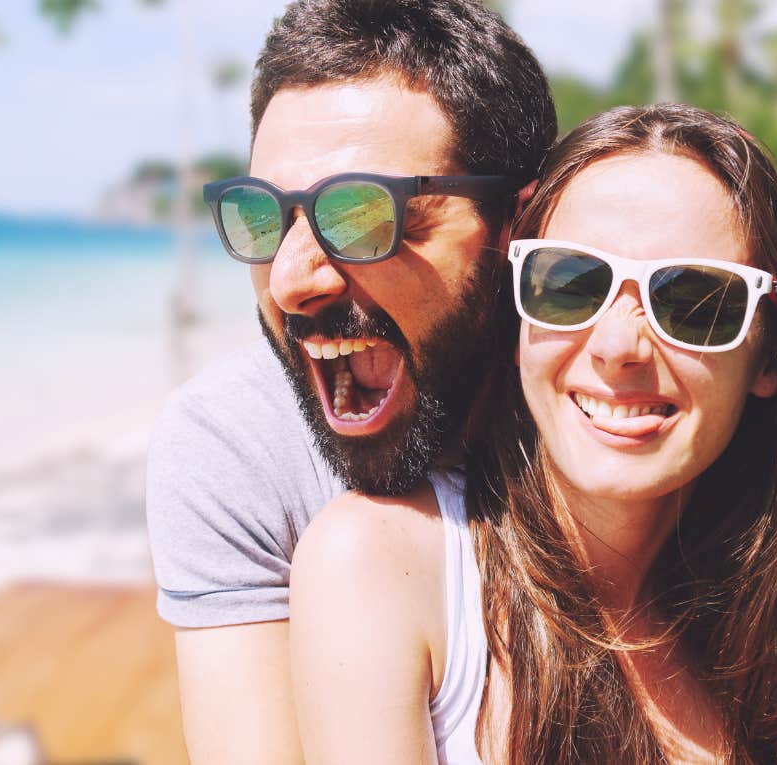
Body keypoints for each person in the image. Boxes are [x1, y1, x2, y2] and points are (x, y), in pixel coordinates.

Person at [290, 104, 777, 764]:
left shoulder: (775, 568)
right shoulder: (384, 565)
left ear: (768, 356)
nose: (619, 345)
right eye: (569, 284)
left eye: (693, 301)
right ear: (516, 319)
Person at [143, 1, 556, 761]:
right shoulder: (234, 445)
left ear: (515, 228)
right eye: (263, 218)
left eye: (363, 214)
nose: (294, 280)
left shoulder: (599, 408)